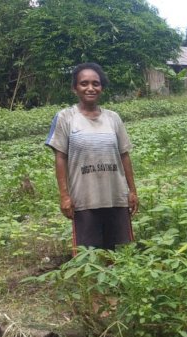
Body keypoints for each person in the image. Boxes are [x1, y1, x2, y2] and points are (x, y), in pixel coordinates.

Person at [45, 63, 138, 255]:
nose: (90, 88)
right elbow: (60, 157)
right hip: (84, 198)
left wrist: (132, 191)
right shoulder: (65, 118)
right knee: (86, 255)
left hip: (115, 196)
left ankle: (114, 285)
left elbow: (124, 155)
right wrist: (64, 196)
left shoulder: (113, 118)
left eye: (95, 83)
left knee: (116, 252)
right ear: (75, 88)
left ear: (101, 87)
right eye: (84, 83)